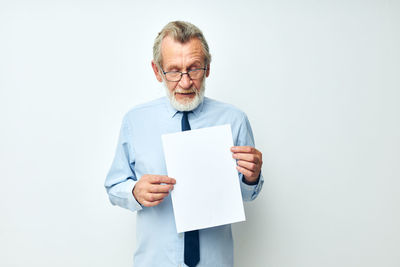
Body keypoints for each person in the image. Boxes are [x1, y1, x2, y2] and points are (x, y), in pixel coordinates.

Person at [105, 21, 264, 267]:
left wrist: (251, 178)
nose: (186, 82)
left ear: (208, 68)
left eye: (194, 69)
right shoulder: (135, 121)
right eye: (173, 71)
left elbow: (246, 196)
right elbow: (113, 186)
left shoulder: (234, 120)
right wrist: (134, 192)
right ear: (157, 71)